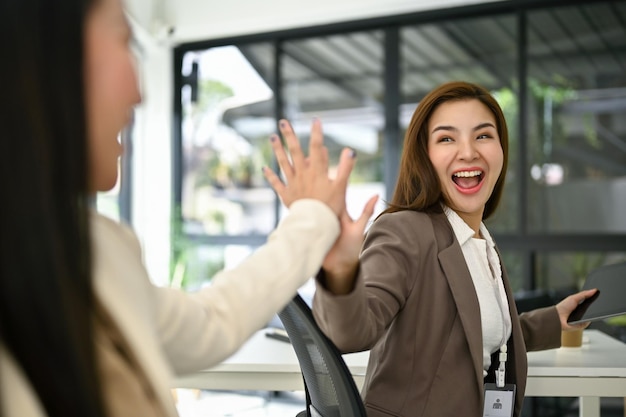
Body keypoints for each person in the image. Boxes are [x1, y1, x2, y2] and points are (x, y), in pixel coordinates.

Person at [0, 0, 375, 415]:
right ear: (42, 58)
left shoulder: (96, 248)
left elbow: (213, 319)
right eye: (124, 41)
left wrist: (312, 221)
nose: (139, 93)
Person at [312, 81, 598, 417]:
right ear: (425, 156)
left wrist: (554, 320)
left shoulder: (479, 240)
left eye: (483, 135)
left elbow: (469, 328)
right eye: (447, 138)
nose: (468, 152)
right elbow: (353, 332)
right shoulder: (406, 229)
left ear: (501, 152)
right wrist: (340, 273)